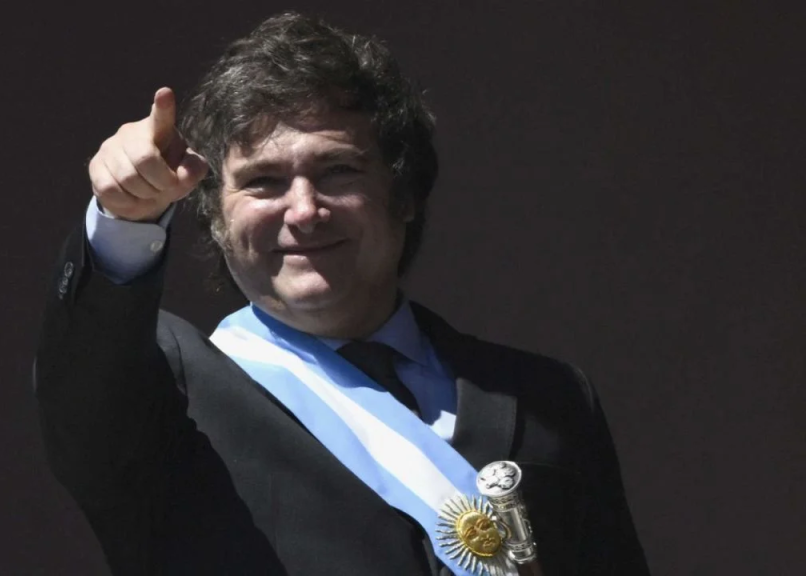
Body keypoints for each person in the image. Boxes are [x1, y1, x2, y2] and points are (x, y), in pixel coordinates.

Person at [34, 12, 650, 576]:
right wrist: (124, 220)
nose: (304, 211)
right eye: (263, 182)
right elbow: (84, 385)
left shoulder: (548, 398)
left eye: (338, 171)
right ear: (216, 218)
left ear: (403, 194)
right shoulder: (164, 391)